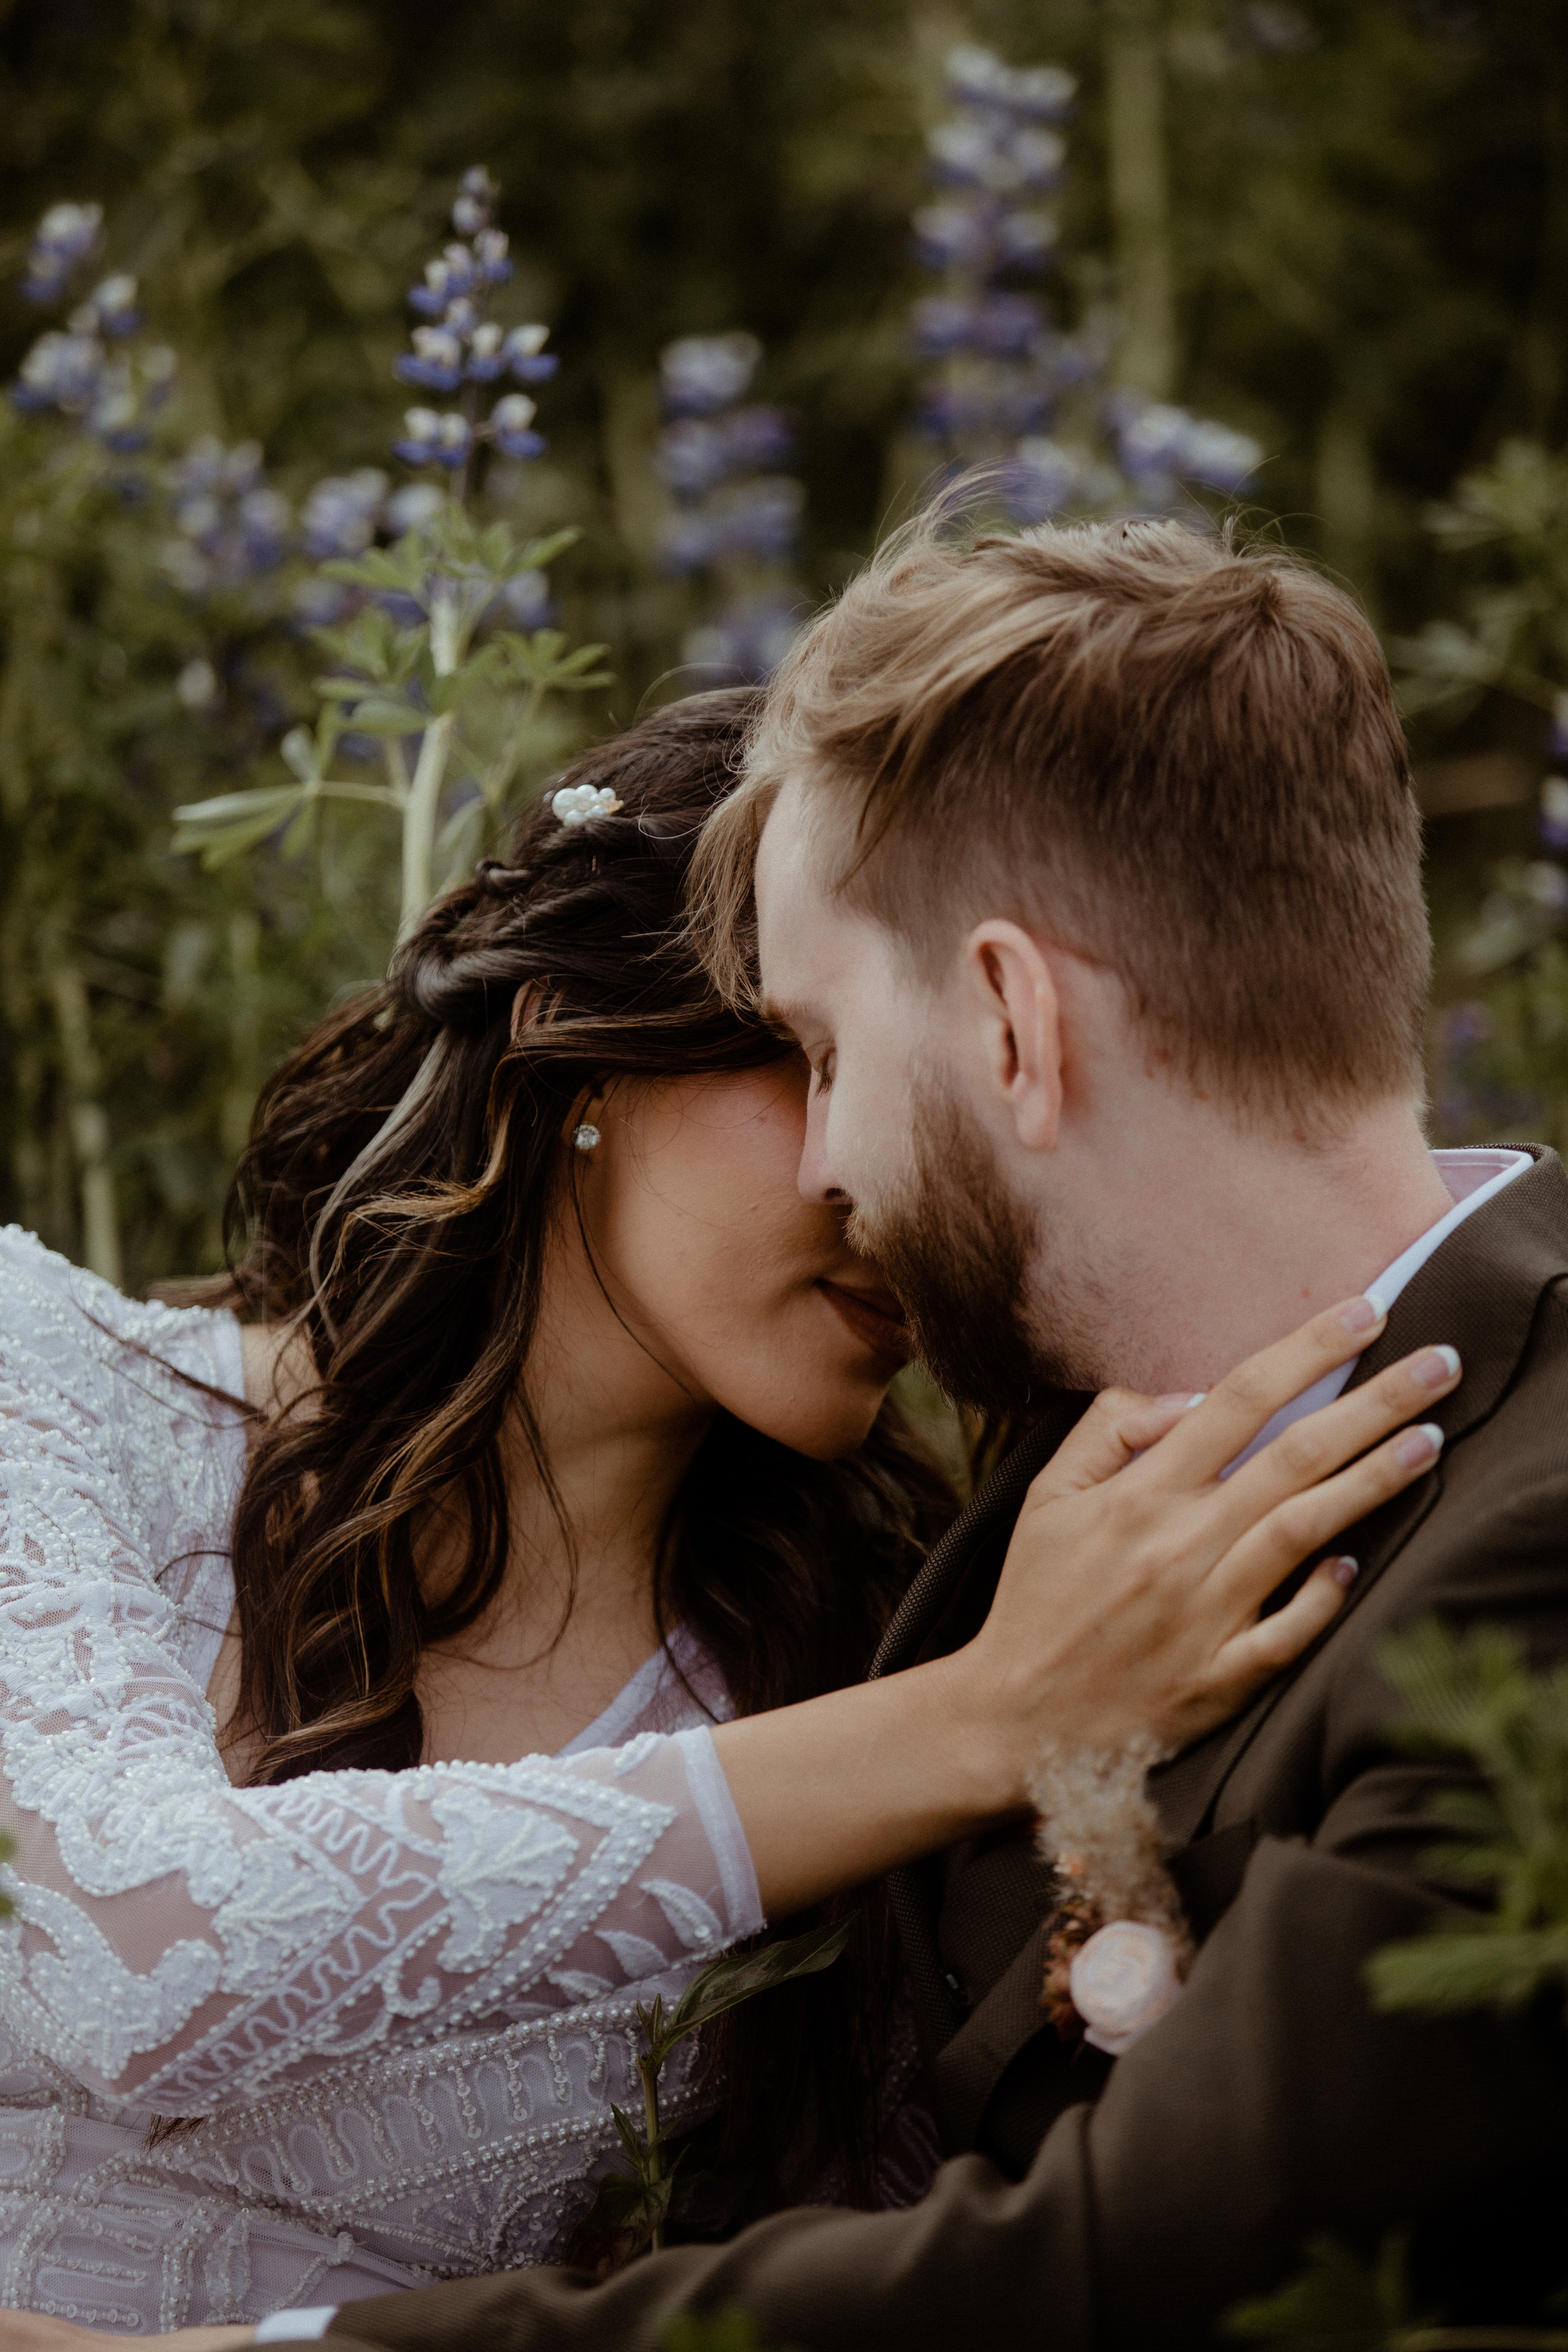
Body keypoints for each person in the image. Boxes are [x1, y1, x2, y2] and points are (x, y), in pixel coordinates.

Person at [42, 506, 1566, 2352]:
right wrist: (991, 1715)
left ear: (1009, 1019)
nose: (846, 1170)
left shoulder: (942, 1591)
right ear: (576, 1059)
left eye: (838, 1050)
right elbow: (135, 1945)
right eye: (796, 1060)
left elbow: (1115, 2247)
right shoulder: (1027, 1573)